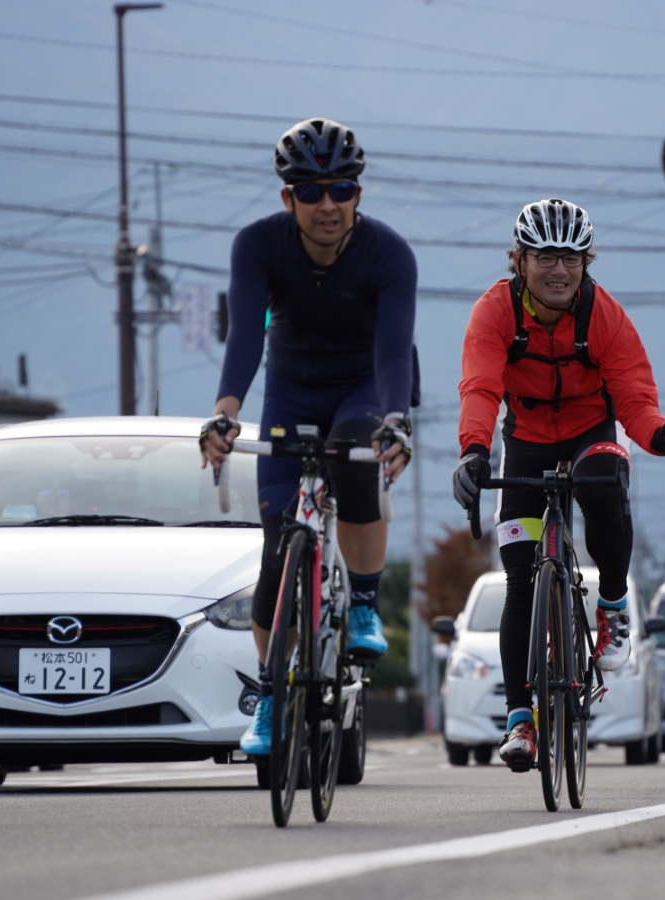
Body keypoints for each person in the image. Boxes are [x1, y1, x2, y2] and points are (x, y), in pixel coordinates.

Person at [452, 198, 665, 772]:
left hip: (589, 435)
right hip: (522, 443)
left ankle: (614, 604)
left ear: (586, 263)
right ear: (519, 261)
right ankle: (520, 721)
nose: (559, 271)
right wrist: (474, 452)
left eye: (571, 259)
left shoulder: (604, 316)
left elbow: (635, 401)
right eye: (545, 257)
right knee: (521, 578)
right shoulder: (495, 312)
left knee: (602, 484)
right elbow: (479, 387)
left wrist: (664, 437)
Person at [199, 118, 416, 756]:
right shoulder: (257, 245)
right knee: (276, 549)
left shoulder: (389, 254)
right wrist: (225, 413)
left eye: (342, 189)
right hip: (291, 392)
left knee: (355, 459)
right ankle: (270, 699)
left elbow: (394, 352)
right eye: (311, 190)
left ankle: (366, 605)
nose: (328, 204)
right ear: (286, 197)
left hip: (363, 386)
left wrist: (395, 422)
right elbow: (245, 336)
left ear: (358, 194)